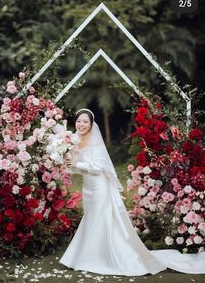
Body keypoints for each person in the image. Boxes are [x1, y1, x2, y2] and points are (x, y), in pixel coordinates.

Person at [59, 108, 205, 276]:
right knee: (91, 219)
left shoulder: (96, 143)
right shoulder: (73, 142)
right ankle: (86, 256)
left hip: (99, 188)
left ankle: (97, 259)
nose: (81, 124)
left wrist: (77, 165)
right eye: (79, 121)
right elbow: (78, 169)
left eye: (85, 121)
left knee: (99, 221)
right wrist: (69, 163)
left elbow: (98, 169)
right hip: (87, 189)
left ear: (92, 125)